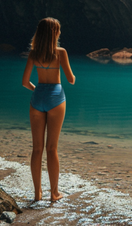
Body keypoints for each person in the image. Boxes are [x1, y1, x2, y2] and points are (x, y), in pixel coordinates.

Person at [22, 17, 76, 202]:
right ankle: (54, 193)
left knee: (37, 149)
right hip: (56, 98)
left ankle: (37, 193)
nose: (60, 33)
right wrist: (73, 76)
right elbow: (70, 79)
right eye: (58, 30)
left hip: (37, 99)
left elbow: (25, 82)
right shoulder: (61, 53)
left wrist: (37, 90)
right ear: (54, 33)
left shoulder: (33, 54)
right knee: (51, 148)